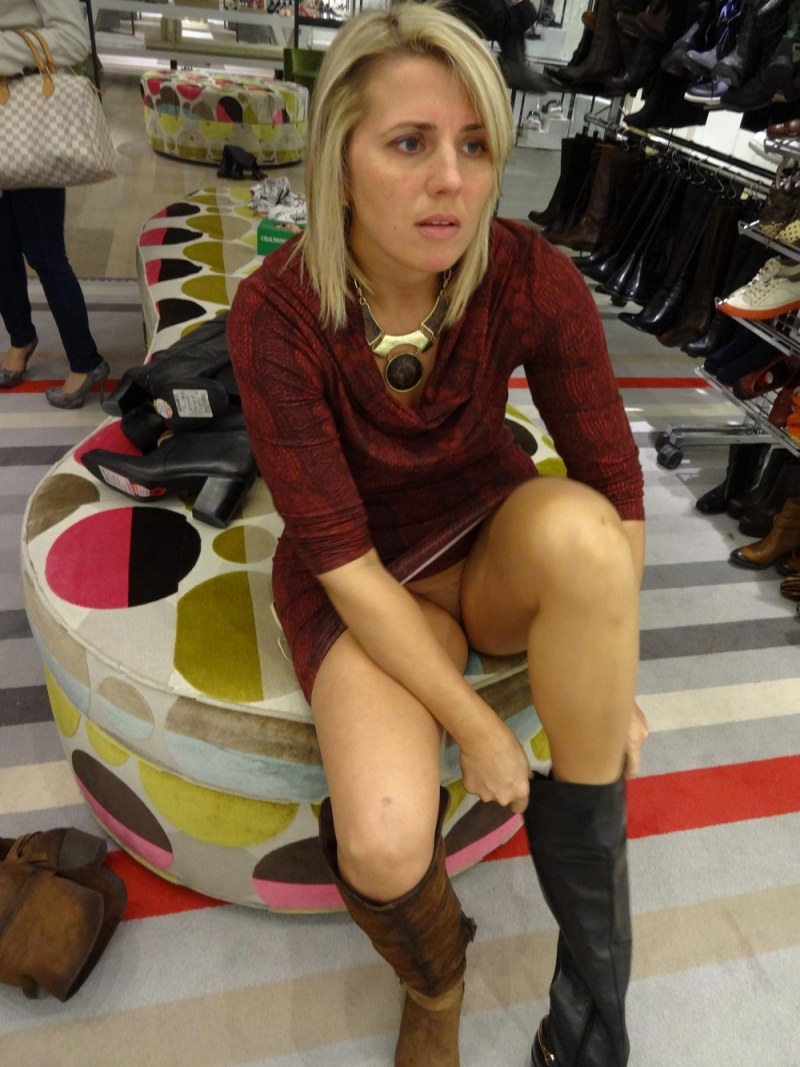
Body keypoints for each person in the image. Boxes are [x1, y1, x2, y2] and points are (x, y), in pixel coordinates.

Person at [228, 4, 648, 1065]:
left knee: (587, 534)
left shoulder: (526, 272)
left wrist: (611, 660)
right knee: (379, 839)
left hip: (490, 532)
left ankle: (592, 1003)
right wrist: (476, 725)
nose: (451, 181)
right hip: (366, 574)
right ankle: (435, 984)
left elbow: (612, 477)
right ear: (340, 162)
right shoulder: (277, 314)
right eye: (410, 143)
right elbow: (341, 561)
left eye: (474, 146)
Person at [0, 0, 109, 408]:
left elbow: (74, 39)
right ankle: (21, 339)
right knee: (2, 248)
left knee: (44, 252)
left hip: (30, 111)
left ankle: (85, 359)